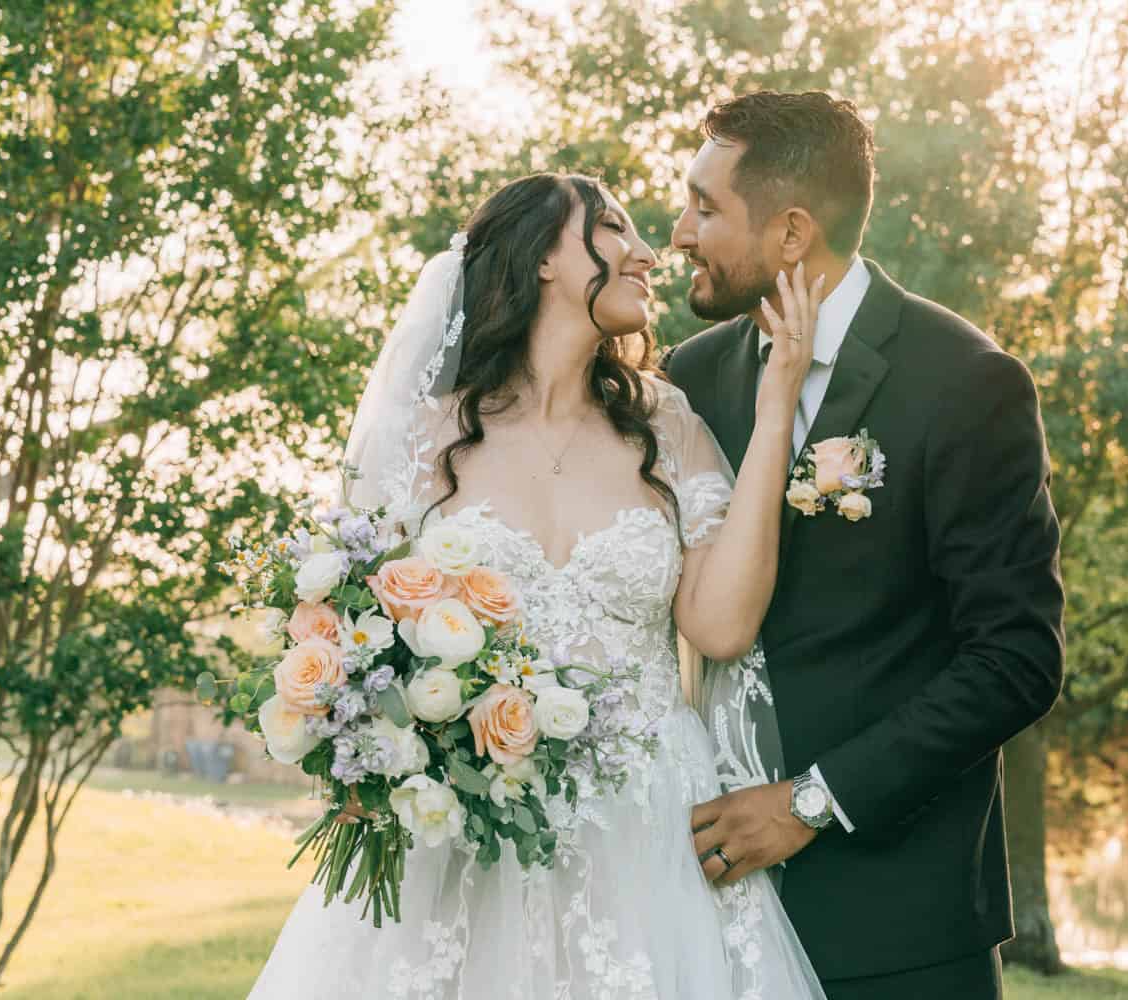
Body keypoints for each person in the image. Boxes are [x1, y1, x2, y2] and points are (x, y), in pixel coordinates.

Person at [248, 172, 830, 998]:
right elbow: (354, 635)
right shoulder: (428, 433)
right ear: (543, 261)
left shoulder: (668, 427)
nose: (647, 253)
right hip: (470, 830)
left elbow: (723, 628)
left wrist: (777, 411)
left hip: (647, 829)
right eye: (613, 229)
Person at [663, 90, 1066, 1000]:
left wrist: (812, 801)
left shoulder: (965, 383)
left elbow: (1017, 658)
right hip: (702, 906)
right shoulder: (688, 381)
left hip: (895, 925)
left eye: (705, 206)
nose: (680, 232)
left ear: (792, 232)